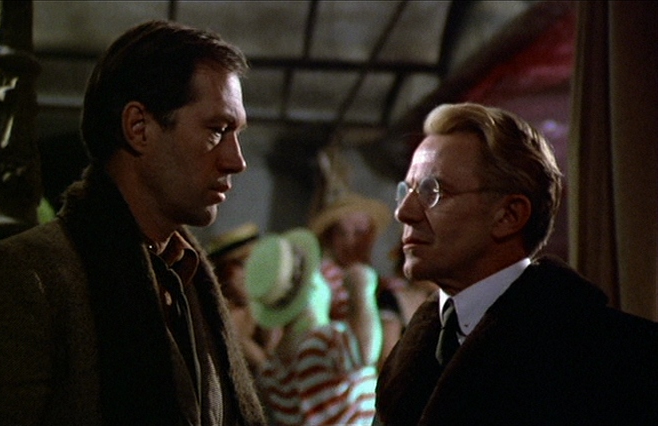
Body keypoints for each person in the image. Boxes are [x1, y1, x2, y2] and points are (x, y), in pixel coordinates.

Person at [0, 20, 266, 426]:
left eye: (236, 134)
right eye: (217, 131)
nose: (236, 160)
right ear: (138, 128)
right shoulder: (21, 280)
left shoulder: (191, 281)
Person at [374, 102, 658, 425]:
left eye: (432, 192)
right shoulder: (412, 356)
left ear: (509, 216)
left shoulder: (614, 354)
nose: (404, 212)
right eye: (406, 191)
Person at [246, 228, 379, 426]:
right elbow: (365, 352)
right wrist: (362, 289)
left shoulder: (271, 369)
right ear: (313, 286)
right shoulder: (322, 340)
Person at [308, 148, 392, 369]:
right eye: (343, 233)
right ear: (331, 238)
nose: (351, 241)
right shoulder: (323, 276)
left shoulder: (381, 277)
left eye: (360, 232)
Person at [207, 222, 282, 375]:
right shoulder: (228, 316)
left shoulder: (262, 306)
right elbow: (269, 371)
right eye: (243, 264)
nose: (252, 272)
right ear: (223, 273)